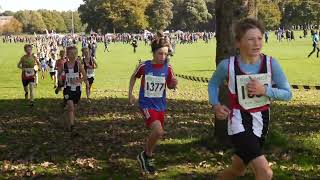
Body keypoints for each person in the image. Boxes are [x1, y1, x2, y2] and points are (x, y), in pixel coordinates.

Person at [208, 18, 292, 180]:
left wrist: (265, 90)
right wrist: (216, 105)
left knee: (237, 170)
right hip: (238, 121)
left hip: (262, 121)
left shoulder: (271, 63)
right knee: (265, 172)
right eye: (251, 39)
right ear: (238, 43)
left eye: (260, 38)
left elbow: (287, 94)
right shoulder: (227, 65)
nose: (257, 43)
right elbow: (213, 84)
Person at [128, 36, 178, 174]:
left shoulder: (168, 68)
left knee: (158, 134)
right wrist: (130, 94)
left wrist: (174, 84)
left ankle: (146, 155)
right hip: (146, 104)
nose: (163, 56)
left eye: (165, 54)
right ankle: (147, 155)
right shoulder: (145, 66)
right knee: (158, 131)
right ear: (153, 52)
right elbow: (134, 77)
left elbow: (170, 85)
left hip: (160, 105)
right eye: (160, 53)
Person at [60, 46, 87, 132]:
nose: (73, 55)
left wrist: (79, 80)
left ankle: (67, 120)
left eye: (75, 53)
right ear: (67, 55)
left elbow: (85, 76)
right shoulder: (64, 64)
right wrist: (60, 79)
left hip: (77, 89)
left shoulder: (78, 64)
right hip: (67, 88)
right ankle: (72, 126)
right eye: (71, 53)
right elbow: (60, 73)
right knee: (71, 107)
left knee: (72, 108)